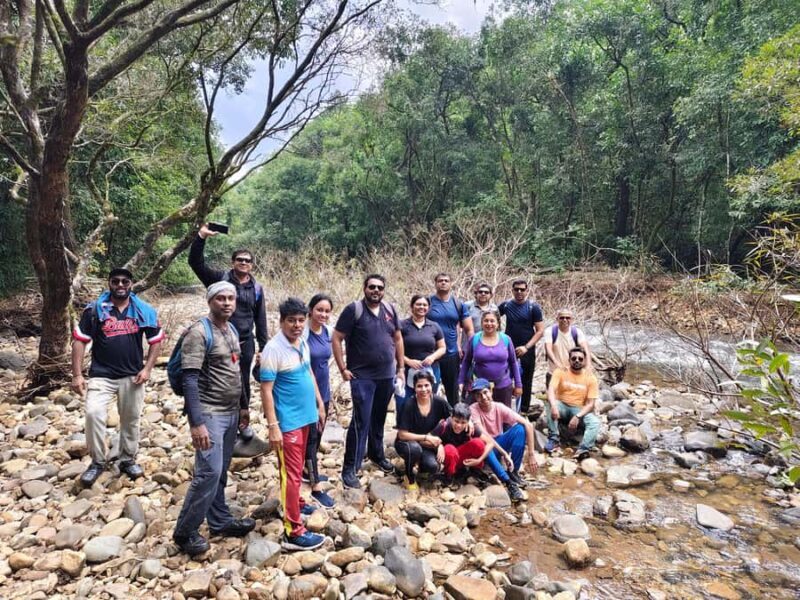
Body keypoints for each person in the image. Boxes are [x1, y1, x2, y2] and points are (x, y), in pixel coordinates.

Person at [173, 282, 255, 556]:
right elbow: (190, 379)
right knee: (207, 472)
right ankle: (185, 532)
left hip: (231, 412)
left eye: (231, 298)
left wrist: (243, 406)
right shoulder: (199, 332)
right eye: (221, 298)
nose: (227, 303)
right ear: (210, 301)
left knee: (220, 471)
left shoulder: (231, 329)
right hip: (209, 413)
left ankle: (219, 521)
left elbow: (236, 370)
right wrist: (197, 422)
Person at [71, 267, 164, 487]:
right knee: (93, 414)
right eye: (116, 282)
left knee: (130, 419)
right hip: (101, 375)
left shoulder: (143, 310)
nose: (120, 286)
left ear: (131, 284)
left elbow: (156, 340)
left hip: (132, 375)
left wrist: (148, 368)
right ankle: (97, 461)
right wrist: (76, 375)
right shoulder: (95, 310)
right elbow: (80, 340)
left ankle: (127, 459)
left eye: (125, 282)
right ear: (109, 283)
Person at [188, 224, 268, 446]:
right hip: (219, 342)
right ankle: (214, 420)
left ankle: (241, 423)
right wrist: (201, 237)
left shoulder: (257, 289)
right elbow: (196, 263)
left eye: (248, 260)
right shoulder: (220, 280)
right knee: (216, 380)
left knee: (242, 382)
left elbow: (260, 319)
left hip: (245, 342)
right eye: (240, 259)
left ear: (252, 265)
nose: (244, 263)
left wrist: (264, 347)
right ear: (233, 262)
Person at [260, 298, 327, 550]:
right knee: (291, 473)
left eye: (300, 320)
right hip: (287, 422)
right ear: (281, 321)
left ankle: (296, 503)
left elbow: (309, 373)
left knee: (296, 470)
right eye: (292, 321)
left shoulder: (302, 342)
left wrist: (319, 403)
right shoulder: (273, 349)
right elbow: (266, 390)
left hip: (306, 415)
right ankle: (293, 530)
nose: (297, 325)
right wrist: (273, 425)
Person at [333, 274, 405, 489]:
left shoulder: (390, 310)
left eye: (380, 287)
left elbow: (398, 338)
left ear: (384, 290)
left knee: (379, 418)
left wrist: (400, 368)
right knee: (360, 421)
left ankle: (376, 454)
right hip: (362, 376)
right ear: (364, 288)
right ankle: (350, 467)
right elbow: (336, 338)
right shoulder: (353, 310)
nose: (376, 290)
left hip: (386, 375)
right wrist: (342, 368)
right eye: (372, 287)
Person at [431, 403, 524, 502]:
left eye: (463, 422)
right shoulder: (444, 426)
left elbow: (490, 443)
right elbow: (428, 438)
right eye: (456, 421)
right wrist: (439, 445)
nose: (458, 425)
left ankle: (504, 481)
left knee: (479, 443)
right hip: (448, 460)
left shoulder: (470, 428)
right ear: (451, 418)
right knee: (450, 449)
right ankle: (449, 477)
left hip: (463, 460)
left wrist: (479, 460)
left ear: (468, 421)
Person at [469, 379, 539, 486]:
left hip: (498, 444)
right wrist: (504, 453)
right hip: (485, 447)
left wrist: (531, 454)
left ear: (491, 391)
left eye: (485, 392)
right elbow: (486, 437)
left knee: (520, 429)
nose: (483, 397)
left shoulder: (499, 407)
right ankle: (507, 480)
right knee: (485, 445)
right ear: (475, 397)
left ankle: (513, 471)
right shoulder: (473, 409)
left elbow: (528, 425)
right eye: (478, 395)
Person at [301, 294, 335, 508]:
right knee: (312, 438)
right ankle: (315, 486)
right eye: (319, 310)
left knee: (319, 433)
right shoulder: (302, 334)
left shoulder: (328, 333)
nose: (322, 314)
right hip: (307, 393)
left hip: (325, 390)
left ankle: (307, 470)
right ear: (310, 310)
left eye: (326, 311)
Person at [394, 372, 452, 490]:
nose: (424, 389)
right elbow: (402, 434)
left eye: (427, 385)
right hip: (408, 443)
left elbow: (453, 418)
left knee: (433, 467)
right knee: (414, 449)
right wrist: (427, 437)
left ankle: (421, 468)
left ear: (432, 385)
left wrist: (470, 422)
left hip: (428, 445)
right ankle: (409, 476)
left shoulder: (439, 402)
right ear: (414, 388)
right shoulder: (409, 404)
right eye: (419, 386)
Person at [545, 347, 600, 461]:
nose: (577, 361)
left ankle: (583, 448)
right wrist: (554, 406)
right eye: (574, 358)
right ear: (569, 360)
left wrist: (577, 416)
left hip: (579, 409)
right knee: (550, 402)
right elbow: (551, 389)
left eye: (580, 359)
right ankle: (554, 438)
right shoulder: (560, 371)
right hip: (562, 406)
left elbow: (590, 404)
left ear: (584, 361)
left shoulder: (591, 378)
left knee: (594, 422)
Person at [498, 278, 544, 415]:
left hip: (527, 349)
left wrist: (526, 347)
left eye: (522, 289)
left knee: (526, 379)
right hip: (508, 347)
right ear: (512, 290)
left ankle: (523, 410)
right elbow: (491, 318)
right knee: (504, 378)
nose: (519, 292)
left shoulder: (533, 307)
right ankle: (503, 408)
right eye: (516, 289)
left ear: (526, 290)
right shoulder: (506, 305)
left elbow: (540, 330)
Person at [458, 310, 521, 408]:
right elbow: (466, 361)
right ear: (482, 322)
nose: (489, 324)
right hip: (479, 387)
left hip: (503, 386)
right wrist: (461, 381)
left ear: (497, 323)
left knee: (503, 417)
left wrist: (518, 384)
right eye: (486, 321)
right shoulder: (474, 339)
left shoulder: (506, 339)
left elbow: (513, 362)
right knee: (478, 416)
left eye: (492, 321)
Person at [427, 273, 474, 406]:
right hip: (430, 354)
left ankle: (455, 419)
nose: (443, 283)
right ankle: (429, 421)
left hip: (451, 353)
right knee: (429, 388)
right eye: (440, 280)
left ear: (451, 283)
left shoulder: (458, 304)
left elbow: (469, 329)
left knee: (452, 391)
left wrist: (471, 348)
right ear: (435, 283)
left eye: (446, 280)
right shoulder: (427, 302)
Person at [399, 295, 446, 417]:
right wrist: (408, 361)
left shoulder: (434, 326)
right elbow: (393, 348)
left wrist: (432, 357)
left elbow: (442, 348)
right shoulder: (401, 325)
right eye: (418, 304)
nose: (421, 307)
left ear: (428, 308)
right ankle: (404, 431)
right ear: (411, 306)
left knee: (428, 400)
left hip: (431, 369)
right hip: (406, 370)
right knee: (403, 401)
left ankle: (426, 430)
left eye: (424, 305)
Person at [544, 308, 592, 390]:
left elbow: (585, 349)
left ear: (572, 320)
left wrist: (588, 365)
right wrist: (558, 364)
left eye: (567, 318)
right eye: (562, 318)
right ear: (557, 319)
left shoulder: (577, 332)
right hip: (554, 372)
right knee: (553, 399)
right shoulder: (550, 331)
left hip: (573, 372)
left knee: (572, 398)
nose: (565, 320)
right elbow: (548, 349)